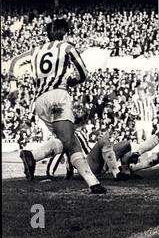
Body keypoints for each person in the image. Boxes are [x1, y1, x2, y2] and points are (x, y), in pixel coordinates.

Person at [8, 18, 106, 194]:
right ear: (65, 33)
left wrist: (13, 86)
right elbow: (83, 72)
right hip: (58, 97)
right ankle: (91, 182)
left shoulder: (36, 50)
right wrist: (73, 81)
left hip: (39, 101)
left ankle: (92, 183)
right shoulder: (67, 47)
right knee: (69, 141)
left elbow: (14, 61)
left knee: (70, 139)